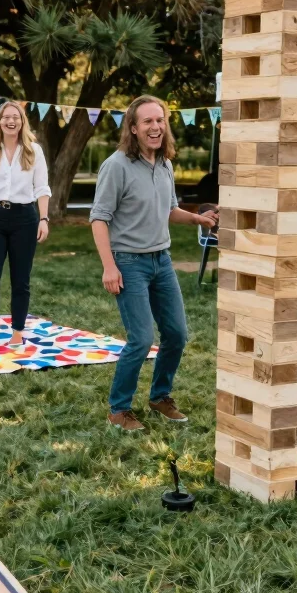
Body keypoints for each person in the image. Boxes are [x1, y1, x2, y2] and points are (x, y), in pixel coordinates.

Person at [90, 95, 218, 431]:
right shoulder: (116, 166)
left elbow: (168, 209)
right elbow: (99, 218)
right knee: (142, 338)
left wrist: (198, 220)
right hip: (128, 262)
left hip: (162, 260)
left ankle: (160, 396)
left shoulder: (165, 165)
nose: (155, 127)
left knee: (176, 334)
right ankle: (119, 409)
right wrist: (109, 266)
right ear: (133, 128)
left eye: (159, 120)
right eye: (147, 121)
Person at [0, 101, 51, 347]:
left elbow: (42, 187)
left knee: (20, 279)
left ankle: (17, 330)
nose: (11, 121)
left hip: (24, 219)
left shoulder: (34, 150)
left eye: (15, 116)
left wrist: (44, 219)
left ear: (22, 121)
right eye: (6, 117)